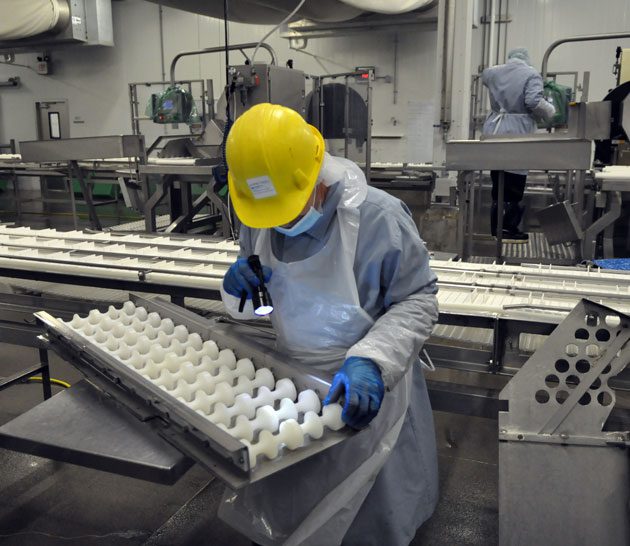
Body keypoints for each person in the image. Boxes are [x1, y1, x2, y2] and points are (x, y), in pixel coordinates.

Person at [218, 103, 439, 546]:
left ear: (317, 178)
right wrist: (236, 285)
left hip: (362, 383)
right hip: (292, 379)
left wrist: (372, 361)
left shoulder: (379, 218)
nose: (278, 224)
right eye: (269, 216)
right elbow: (259, 288)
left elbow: (418, 300)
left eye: (289, 210)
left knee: (370, 513)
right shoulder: (257, 211)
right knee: (295, 495)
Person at [482, 47, 556, 242]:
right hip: (517, 132)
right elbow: (533, 102)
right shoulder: (531, 74)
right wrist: (551, 112)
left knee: (498, 183)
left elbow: (485, 78)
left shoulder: (492, 72)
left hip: (494, 131)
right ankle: (508, 228)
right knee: (514, 186)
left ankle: (496, 228)